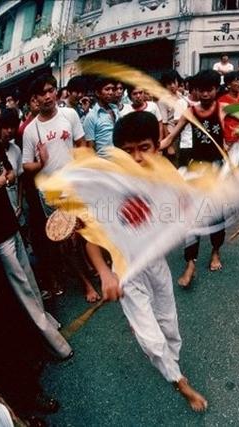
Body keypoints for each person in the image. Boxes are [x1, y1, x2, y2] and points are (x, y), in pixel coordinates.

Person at [85, 111, 208, 412]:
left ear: (157, 146)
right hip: (126, 273)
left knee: (168, 322)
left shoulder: (166, 180)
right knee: (151, 339)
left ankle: (172, 363)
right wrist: (105, 274)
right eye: (128, 151)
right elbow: (91, 241)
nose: (137, 157)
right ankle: (180, 383)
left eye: (144, 147)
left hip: (157, 266)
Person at [0, 90, 73, 361]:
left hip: (10, 223)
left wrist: (4, 179)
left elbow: (11, 173)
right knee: (22, 288)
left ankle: (48, 323)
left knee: (31, 282)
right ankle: (54, 344)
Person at [22, 74, 99, 302]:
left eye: (51, 90)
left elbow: (81, 143)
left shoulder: (70, 115)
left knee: (88, 231)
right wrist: (41, 163)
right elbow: (27, 166)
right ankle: (86, 284)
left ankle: (96, 268)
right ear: (35, 98)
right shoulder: (30, 130)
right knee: (65, 242)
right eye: (42, 93)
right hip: (52, 195)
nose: (48, 96)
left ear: (56, 91)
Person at [160, 70, 227, 283]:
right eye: (201, 90)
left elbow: (229, 136)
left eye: (210, 89)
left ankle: (215, 251)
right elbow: (172, 134)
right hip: (195, 168)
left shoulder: (222, 109)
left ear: (216, 89)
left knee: (216, 214)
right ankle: (191, 262)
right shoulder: (191, 110)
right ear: (195, 91)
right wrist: (158, 146)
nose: (206, 94)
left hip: (217, 168)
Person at [82, 77, 120, 154]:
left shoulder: (115, 109)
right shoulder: (91, 117)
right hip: (103, 161)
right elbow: (90, 147)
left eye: (113, 89)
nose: (111, 92)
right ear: (97, 93)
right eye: (107, 89)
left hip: (120, 159)